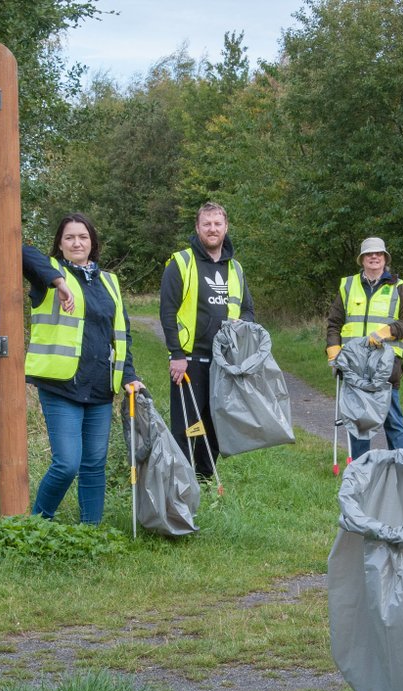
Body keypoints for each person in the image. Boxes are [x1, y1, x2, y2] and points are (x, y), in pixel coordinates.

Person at [23, 212, 143, 525]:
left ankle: (90, 531)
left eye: (83, 237)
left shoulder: (109, 282)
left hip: (101, 386)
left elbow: (121, 334)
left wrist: (129, 376)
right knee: (67, 464)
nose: (77, 243)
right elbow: (20, 251)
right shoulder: (48, 274)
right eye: (69, 237)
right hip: (61, 385)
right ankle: (38, 524)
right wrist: (59, 282)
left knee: (94, 465)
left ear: (92, 242)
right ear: (60, 244)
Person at [159, 201, 255, 479]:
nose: (212, 229)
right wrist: (176, 354)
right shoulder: (181, 263)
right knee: (186, 427)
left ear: (226, 227)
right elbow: (167, 311)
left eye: (217, 224)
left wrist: (242, 324)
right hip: (189, 361)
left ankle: (205, 479)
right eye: (207, 224)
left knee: (215, 425)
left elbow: (248, 310)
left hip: (224, 362)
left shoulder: (235, 268)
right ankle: (181, 481)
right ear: (198, 228)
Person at [325, 236, 403, 459]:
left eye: (378, 253)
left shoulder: (400, 288)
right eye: (369, 253)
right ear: (362, 259)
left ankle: (402, 466)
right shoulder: (348, 286)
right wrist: (333, 352)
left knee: (392, 421)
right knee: (358, 420)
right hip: (353, 366)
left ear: (385, 258)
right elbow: (334, 323)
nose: (374, 257)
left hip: (386, 366)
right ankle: (361, 469)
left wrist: (387, 332)